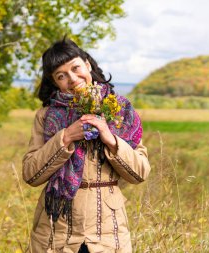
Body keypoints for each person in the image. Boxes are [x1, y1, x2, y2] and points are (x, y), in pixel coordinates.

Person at [22, 37, 151, 253]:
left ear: (87, 65)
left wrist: (110, 139)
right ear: (55, 82)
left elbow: (140, 173)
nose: (72, 79)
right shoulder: (46, 117)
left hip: (108, 234)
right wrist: (66, 137)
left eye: (76, 68)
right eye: (61, 76)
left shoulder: (119, 111)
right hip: (56, 234)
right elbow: (30, 174)